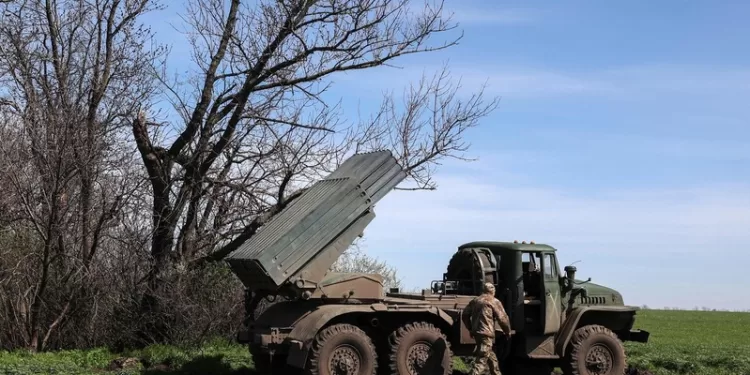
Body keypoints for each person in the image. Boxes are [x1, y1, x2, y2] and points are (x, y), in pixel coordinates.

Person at [463, 282, 512, 375]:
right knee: (481, 361)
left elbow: (465, 315)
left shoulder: (475, 300)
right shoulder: (493, 301)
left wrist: (470, 328)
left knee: (491, 357)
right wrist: (507, 332)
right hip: (486, 334)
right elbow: (503, 319)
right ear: (493, 291)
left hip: (477, 333)